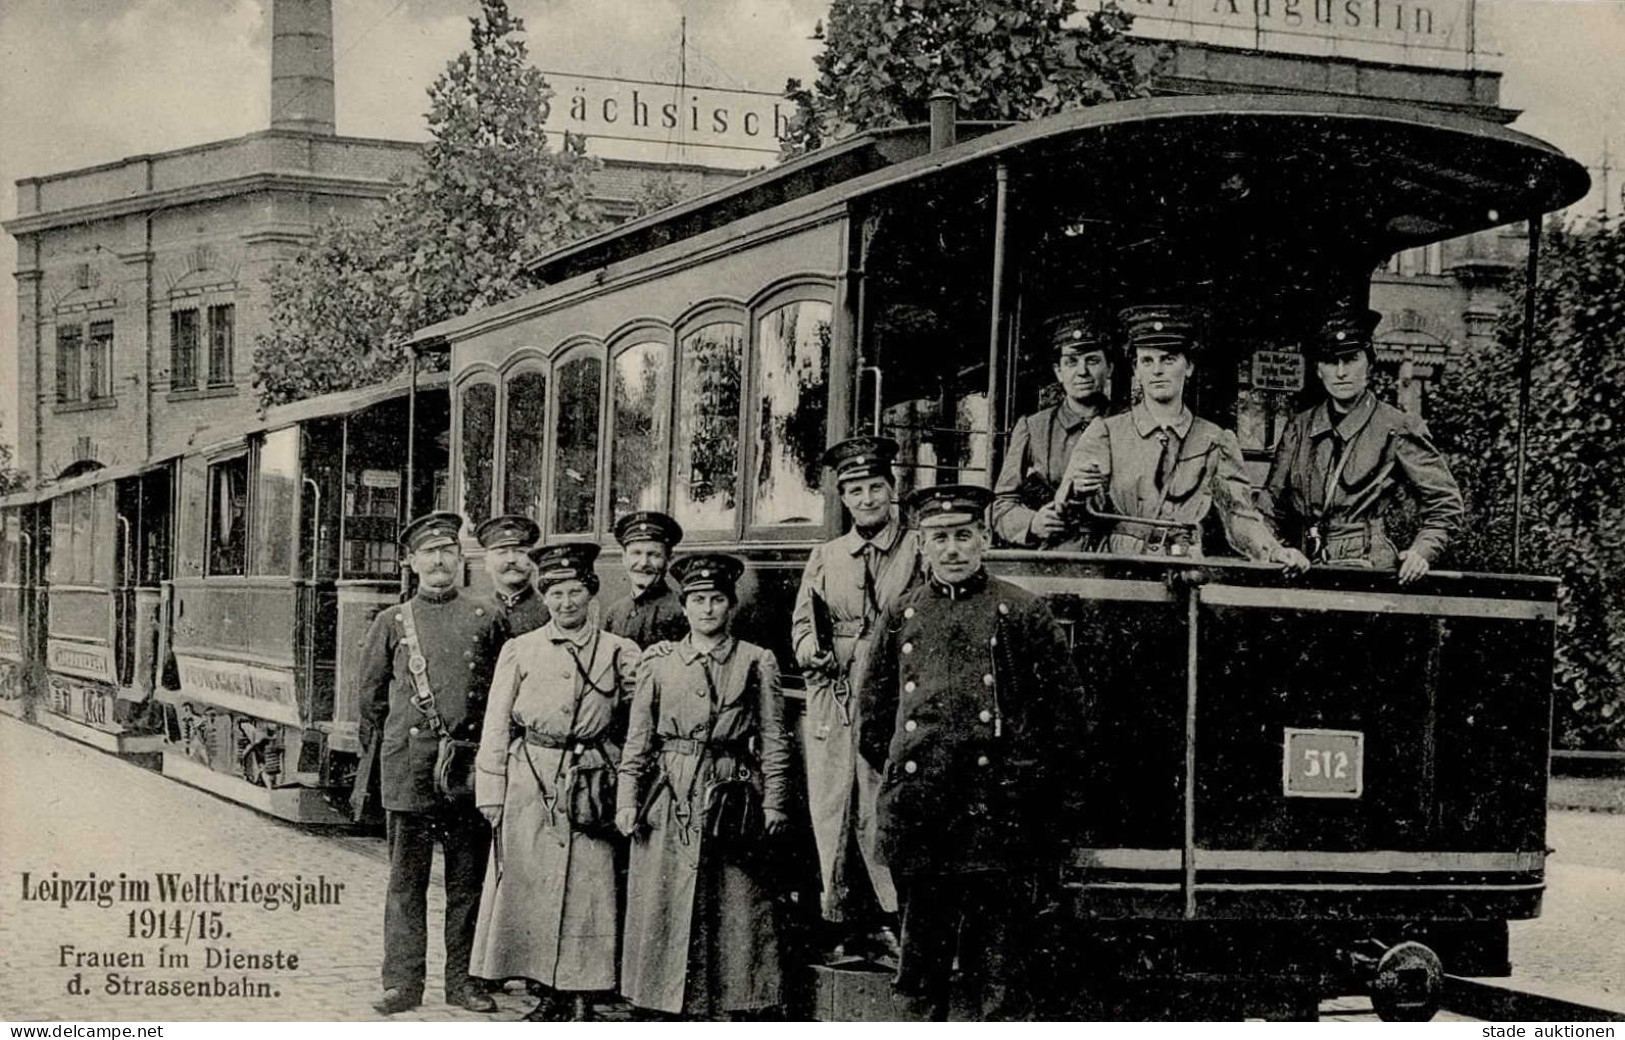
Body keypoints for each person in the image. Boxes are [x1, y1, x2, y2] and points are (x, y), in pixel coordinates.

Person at [857, 485, 1087, 1021]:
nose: (953, 549)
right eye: (940, 538)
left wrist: (1029, 792)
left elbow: (1064, 720)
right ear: (922, 545)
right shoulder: (901, 613)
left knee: (1000, 967)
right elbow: (873, 723)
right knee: (920, 966)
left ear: (984, 538)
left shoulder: (1022, 612)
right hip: (923, 810)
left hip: (996, 816)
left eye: (963, 535)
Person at [469, 542, 640, 1021]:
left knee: (589, 889)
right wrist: (492, 791)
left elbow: (639, 713)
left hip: (590, 781)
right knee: (533, 885)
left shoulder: (619, 651)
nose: (567, 603)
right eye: (557, 593)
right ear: (545, 598)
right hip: (531, 780)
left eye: (576, 592)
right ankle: (546, 990)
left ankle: (584, 992)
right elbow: (497, 723)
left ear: (591, 593)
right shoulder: (519, 650)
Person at [616, 553, 791, 1019]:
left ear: (729, 606)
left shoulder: (757, 661)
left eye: (716, 600)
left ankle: (735, 1002)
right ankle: (657, 1000)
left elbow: (774, 737)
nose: (707, 609)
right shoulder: (659, 663)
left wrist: (774, 801)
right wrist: (626, 800)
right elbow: (638, 740)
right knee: (662, 897)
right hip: (669, 792)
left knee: (734, 900)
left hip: (730, 790)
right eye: (697, 600)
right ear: (685, 606)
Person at [359, 511, 511, 1016]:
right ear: (411, 562)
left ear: (459, 558)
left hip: (464, 773)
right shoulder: (392, 622)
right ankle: (402, 984)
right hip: (410, 771)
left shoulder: (486, 617)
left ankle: (463, 983)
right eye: (429, 552)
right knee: (406, 884)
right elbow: (372, 702)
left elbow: (499, 696)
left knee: (467, 882)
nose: (440, 560)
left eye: (448, 550)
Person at [789, 435, 919, 963]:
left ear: (893, 490)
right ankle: (843, 922)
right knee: (832, 806)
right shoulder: (825, 555)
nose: (866, 499)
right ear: (843, 498)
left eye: (875, 488)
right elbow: (803, 622)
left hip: (888, 687)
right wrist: (809, 653)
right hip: (832, 694)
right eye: (856, 491)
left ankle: (891, 921)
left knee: (879, 803)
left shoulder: (915, 549)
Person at [1055, 304, 1310, 572]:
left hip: (1185, 570)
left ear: (1188, 367)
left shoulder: (1215, 440)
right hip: (1121, 570)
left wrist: (1273, 550)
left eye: (1169, 359)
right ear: (1135, 370)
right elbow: (1068, 509)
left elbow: (1239, 515)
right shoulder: (1105, 432)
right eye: (1147, 361)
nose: (1157, 370)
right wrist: (1078, 491)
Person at [1258, 306, 1465, 584]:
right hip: (1305, 566)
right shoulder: (1300, 427)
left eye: (1351, 359)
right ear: (1319, 370)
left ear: (1369, 362)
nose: (1341, 372)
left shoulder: (1397, 427)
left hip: (1370, 569)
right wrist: (1276, 550)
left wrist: (1421, 552)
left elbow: (1446, 503)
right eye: (1331, 361)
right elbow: (1269, 506)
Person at [991, 314, 1115, 549]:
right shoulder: (1034, 427)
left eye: (1092, 361)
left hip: (1115, 552)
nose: (1082, 372)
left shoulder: (1128, 423)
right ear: (1058, 372)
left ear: (1109, 368)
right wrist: (1032, 522)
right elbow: (1001, 505)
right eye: (1071, 362)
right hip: (1055, 552)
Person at [603, 511, 689, 648]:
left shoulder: (683, 610)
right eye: (636, 553)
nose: (643, 563)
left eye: (654, 554)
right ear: (624, 558)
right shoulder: (615, 612)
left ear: (669, 559)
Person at [474, 514, 549, 635]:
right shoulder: (476, 613)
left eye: (520, 552)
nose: (511, 559)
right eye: (502, 552)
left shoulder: (550, 612)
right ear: (487, 563)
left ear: (533, 560)